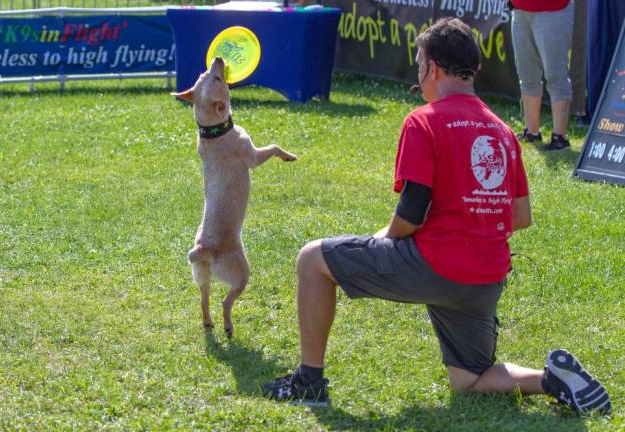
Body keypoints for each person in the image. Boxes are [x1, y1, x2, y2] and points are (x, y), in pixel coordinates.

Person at [261, 18, 612, 415]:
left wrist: (387, 237)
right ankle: (550, 380)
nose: (418, 74)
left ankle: (309, 382)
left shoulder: (423, 120)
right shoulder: (502, 130)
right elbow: (521, 216)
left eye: (418, 64)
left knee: (311, 259)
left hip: (436, 266)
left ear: (433, 68)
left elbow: (412, 211)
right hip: (485, 278)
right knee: (470, 380)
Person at [510, 0, 575, 150]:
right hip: (520, 9)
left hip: (553, 9)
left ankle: (560, 137)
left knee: (555, 76)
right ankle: (532, 132)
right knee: (527, 75)